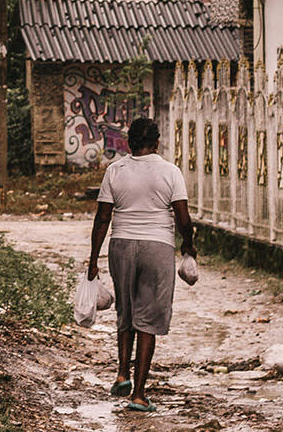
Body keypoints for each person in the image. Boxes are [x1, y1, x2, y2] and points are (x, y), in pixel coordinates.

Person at [86, 117, 196, 412]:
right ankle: (138, 394)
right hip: (157, 247)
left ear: (129, 143)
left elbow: (102, 218)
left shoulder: (115, 171)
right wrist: (189, 245)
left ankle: (122, 373)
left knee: (126, 310)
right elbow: (183, 217)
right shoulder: (170, 171)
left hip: (121, 246)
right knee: (147, 320)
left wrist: (93, 260)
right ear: (157, 142)